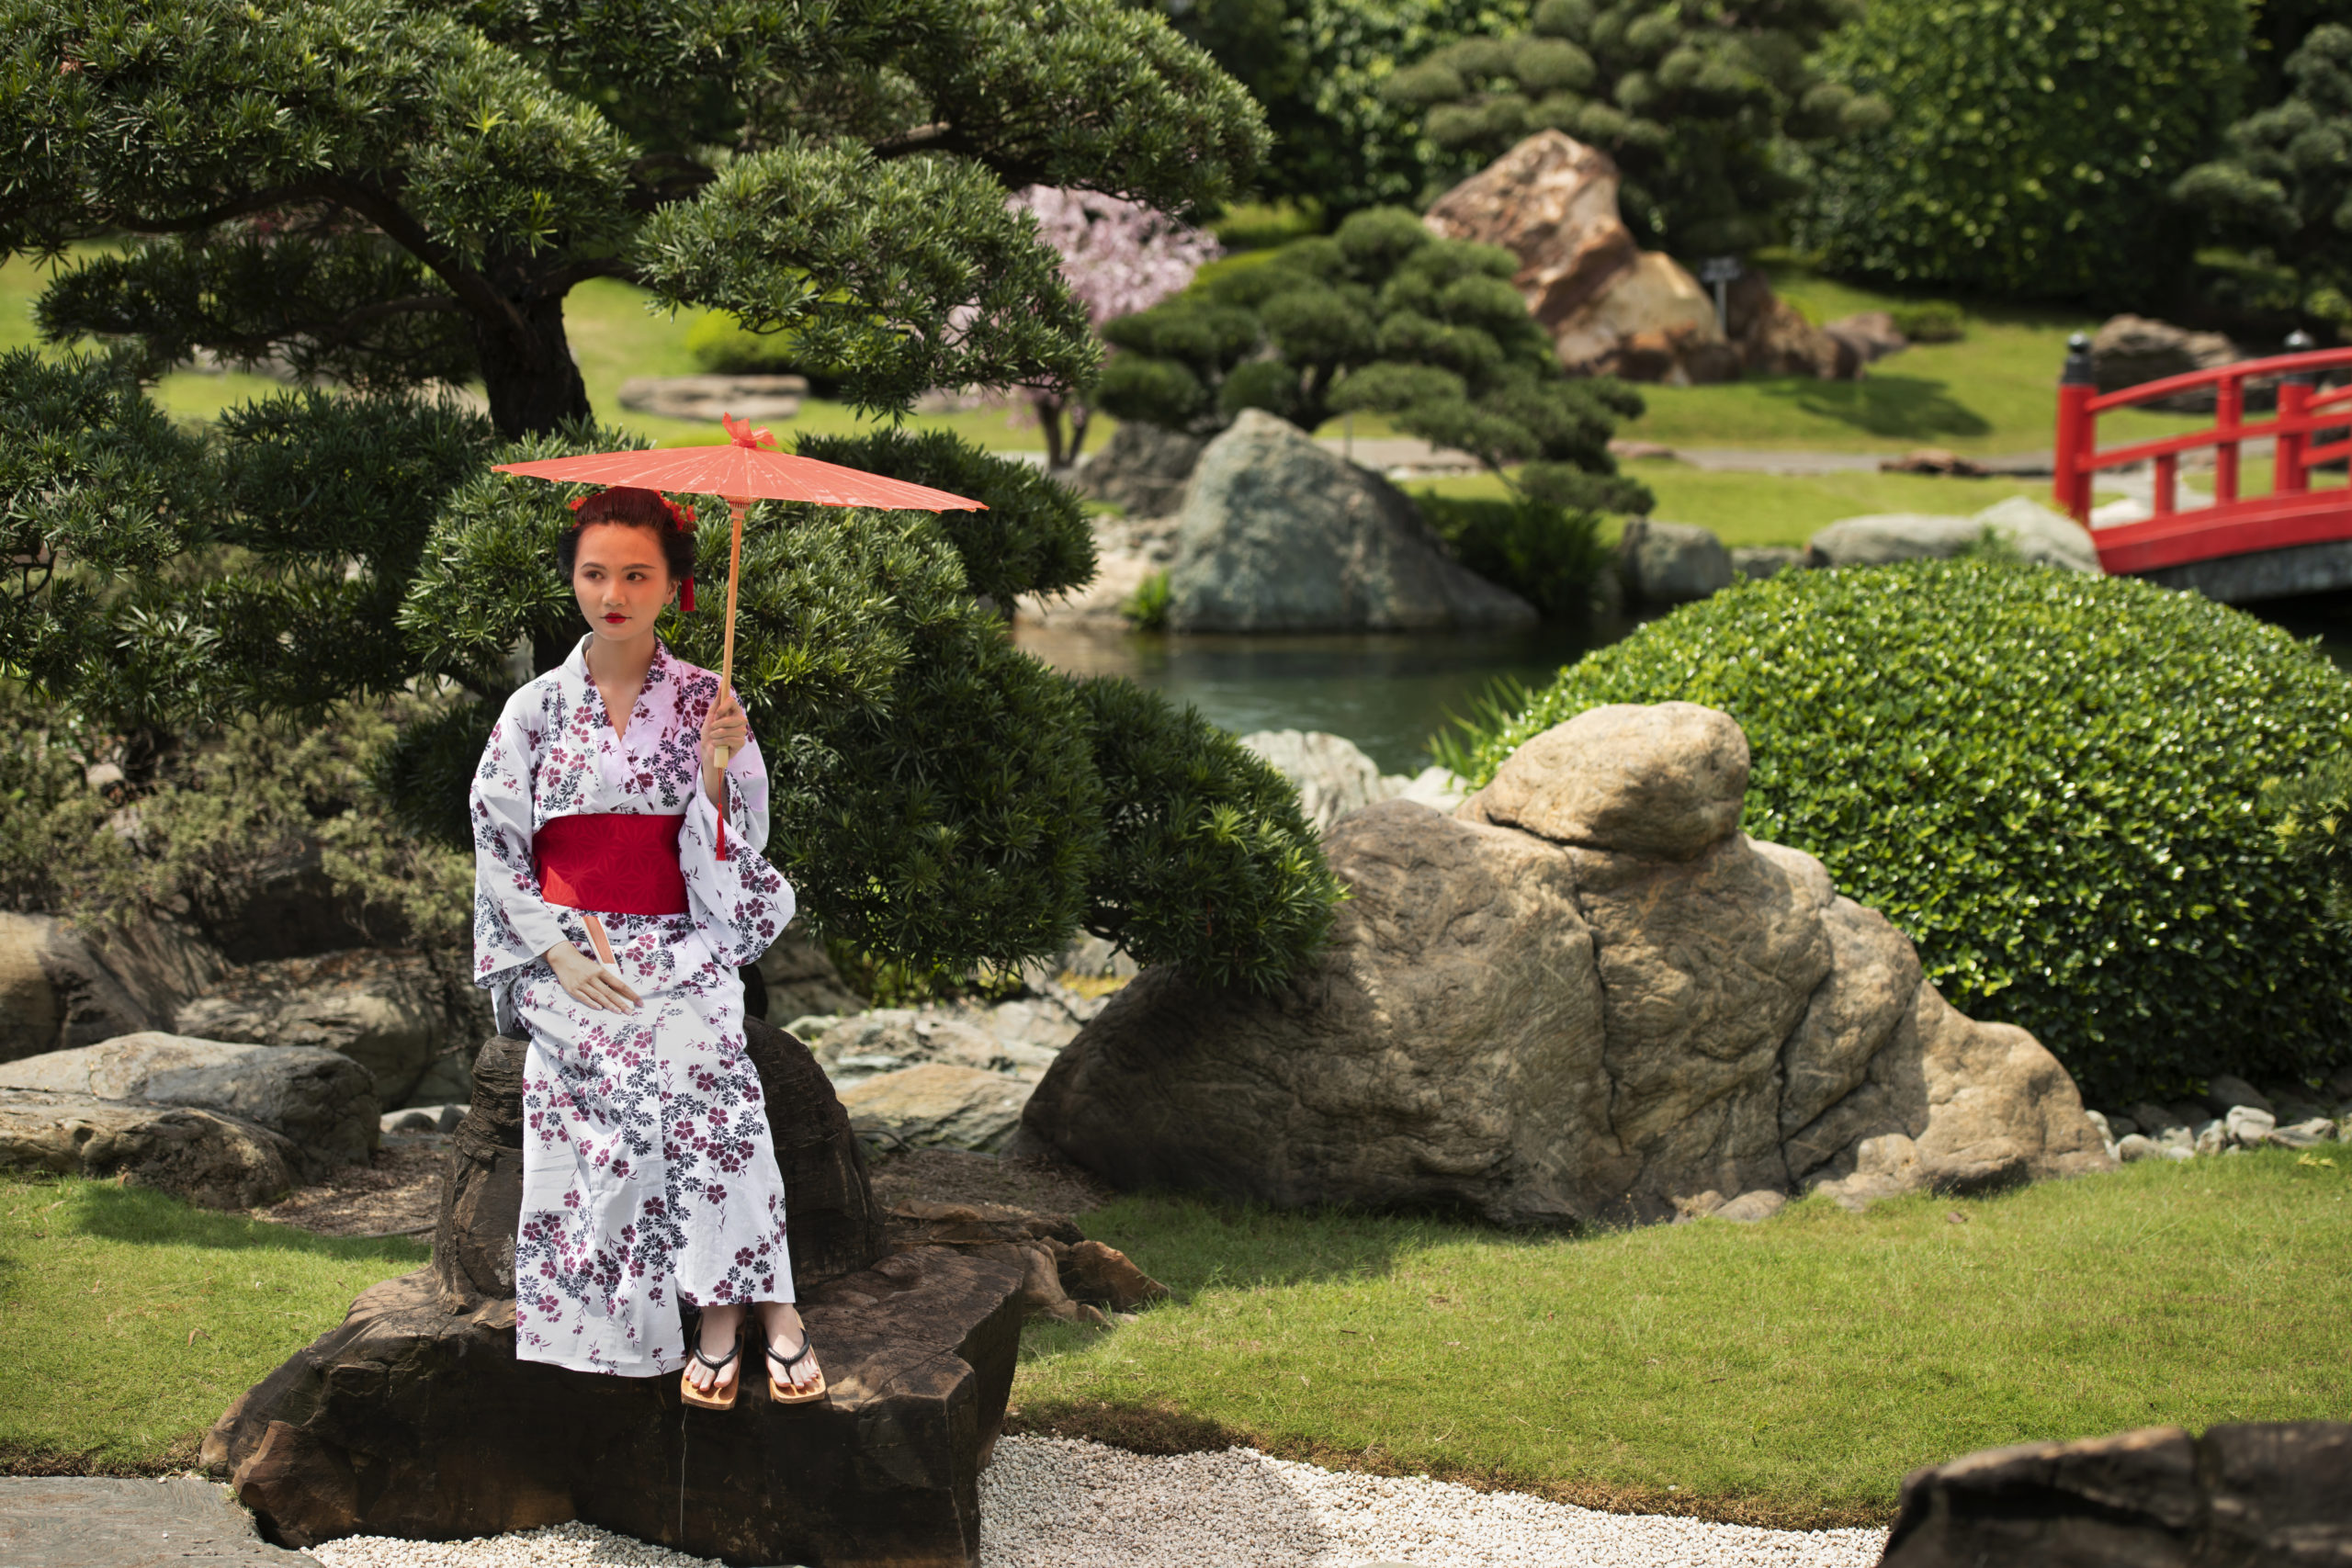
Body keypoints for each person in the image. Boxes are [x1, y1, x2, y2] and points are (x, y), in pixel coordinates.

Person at [468, 484, 822, 1410]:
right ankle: (648, 1320)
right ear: (572, 579)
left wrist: (714, 773)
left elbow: (733, 850)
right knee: (623, 1074)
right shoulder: (534, 709)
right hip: (568, 947)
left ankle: (742, 1306)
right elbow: (499, 845)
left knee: (715, 1069)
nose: (612, 592)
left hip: (675, 935)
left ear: (674, 585)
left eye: (636, 573)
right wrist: (552, 954)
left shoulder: (709, 700)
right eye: (594, 573)